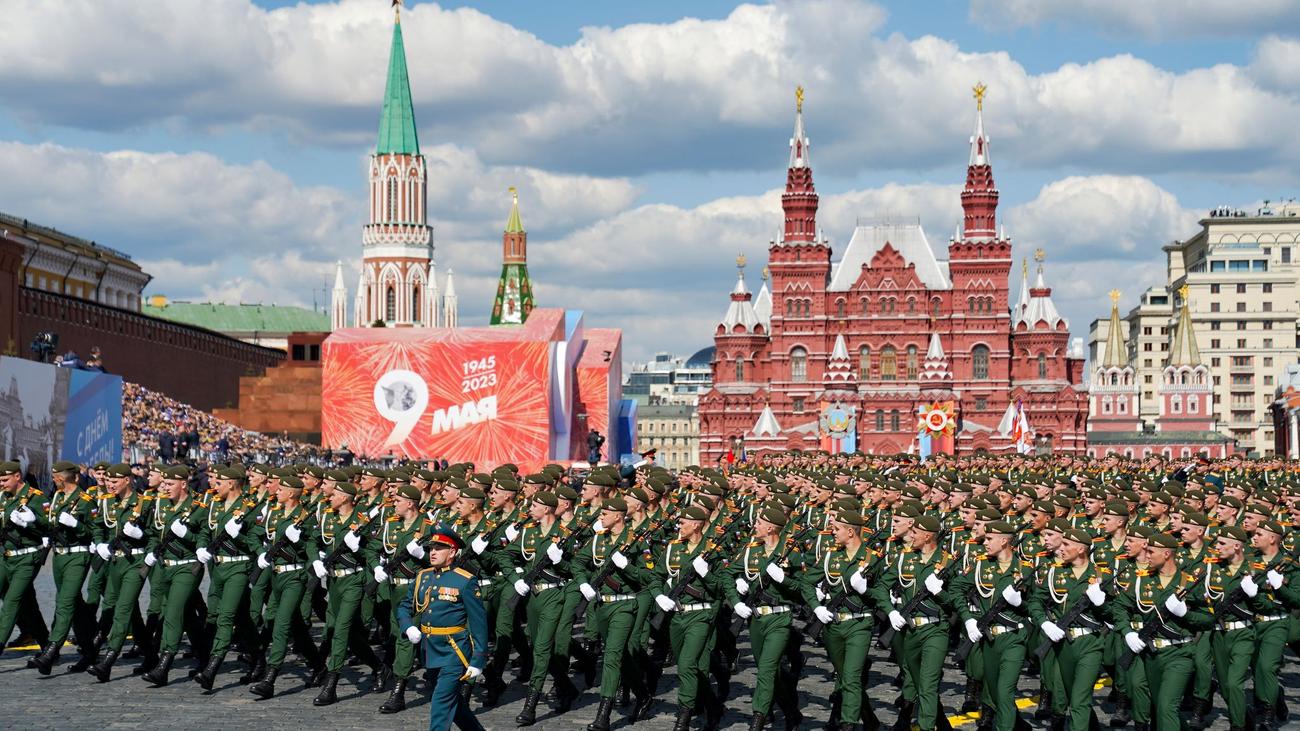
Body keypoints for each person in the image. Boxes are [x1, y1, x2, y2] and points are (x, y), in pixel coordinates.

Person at [397, 523, 488, 731]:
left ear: (453, 552)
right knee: (454, 705)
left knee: (440, 705)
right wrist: (408, 626)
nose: (433, 552)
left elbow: (478, 623)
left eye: (439, 548)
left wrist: (478, 659)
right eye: (431, 548)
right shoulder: (423, 576)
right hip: (430, 650)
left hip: (454, 651)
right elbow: (404, 606)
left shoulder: (465, 581)